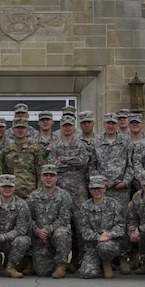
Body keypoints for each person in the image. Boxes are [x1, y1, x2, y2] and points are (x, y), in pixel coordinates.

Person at [46, 109, 94, 270]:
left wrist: (64, 160)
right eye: (64, 125)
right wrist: (69, 162)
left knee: (80, 225)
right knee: (61, 225)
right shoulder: (54, 145)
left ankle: (81, 257)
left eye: (70, 125)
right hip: (59, 191)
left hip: (78, 191)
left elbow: (84, 161)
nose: (67, 128)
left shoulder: (81, 144)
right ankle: (60, 259)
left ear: (74, 126)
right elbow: (52, 166)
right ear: (61, 127)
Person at [26, 164, 74, 278]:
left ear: (56, 178)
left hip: (56, 232)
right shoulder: (34, 196)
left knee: (62, 233)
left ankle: (61, 265)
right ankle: (50, 261)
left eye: (51, 175)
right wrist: (37, 231)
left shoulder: (64, 196)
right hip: (39, 236)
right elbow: (29, 218)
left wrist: (47, 230)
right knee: (42, 272)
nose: (48, 178)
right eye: (46, 175)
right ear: (41, 177)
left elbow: (64, 218)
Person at [77, 175, 127, 279]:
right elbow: (84, 229)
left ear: (104, 188)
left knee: (104, 247)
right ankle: (98, 263)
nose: (96, 191)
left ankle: (107, 262)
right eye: (93, 188)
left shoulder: (114, 205)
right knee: (87, 273)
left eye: (99, 188)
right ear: (89, 189)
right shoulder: (85, 207)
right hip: (93, 245)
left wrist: (109, 235)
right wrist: (98, 237)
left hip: (111, 243)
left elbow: (121, 226)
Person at [2, 116, 46, 199]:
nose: (20, 130)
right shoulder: (7, 151)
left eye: (22, 128)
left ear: (27, 129)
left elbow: (41, 173)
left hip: (30, 194)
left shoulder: (35, 149)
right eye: (17, 128)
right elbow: (4, 173)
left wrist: (39, 193)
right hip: (11, 194)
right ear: (13, 130)